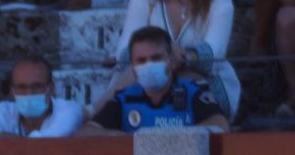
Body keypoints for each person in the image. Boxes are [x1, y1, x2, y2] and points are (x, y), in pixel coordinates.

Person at [110, 0, 240, 119]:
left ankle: (93, 112)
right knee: (132, 71)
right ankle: (93, 114)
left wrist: (185, 57)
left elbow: (215, 54)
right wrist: (165, 50)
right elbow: (124, 53)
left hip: (202, 83)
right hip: (151, 80)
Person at [85, 25, 230, 132]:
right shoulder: (124, 98)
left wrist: (160, 140)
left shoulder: (193, 91)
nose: (149, 65)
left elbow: (220, 125)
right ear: (133, 69)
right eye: (141, 60)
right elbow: (88, 131)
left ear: (172, 61)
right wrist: (130, 142)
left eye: (156, 58)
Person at [0, 55, 83, 138]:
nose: (29, 93)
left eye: (37, 86)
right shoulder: (4, 111)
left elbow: (45, 143)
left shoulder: (69, 111)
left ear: (51, 88)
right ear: (12, 91)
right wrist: (1, 135)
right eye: (21, 87)